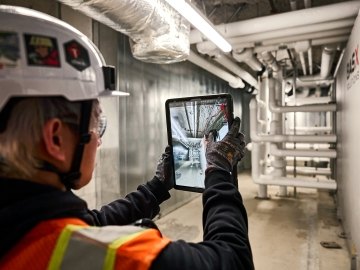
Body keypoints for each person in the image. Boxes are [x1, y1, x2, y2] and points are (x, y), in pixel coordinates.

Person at [0, 5, 254, 270]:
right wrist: (219, 172)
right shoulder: (124, 258)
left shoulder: (21, 227)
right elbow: (233, 261)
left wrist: (156, 188)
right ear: (55, 140)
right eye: (96, 122)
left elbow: (90, 222)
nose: (98, 138)